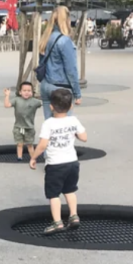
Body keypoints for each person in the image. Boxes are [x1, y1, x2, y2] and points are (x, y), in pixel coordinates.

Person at [29, 88, 87, 234]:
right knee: (70, 190)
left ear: (51, 106)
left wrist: (34, 157)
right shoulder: (73, 120)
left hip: (55, 164)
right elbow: (84, 137)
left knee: (54, 194)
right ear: (71, 106)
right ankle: (74, 216)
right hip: (72, 163)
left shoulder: (49, 123)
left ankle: (57, 222)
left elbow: (42, 145)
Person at [37, 6, 82, 119]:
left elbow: (41, 62)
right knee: (64, 126)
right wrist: (77, 92)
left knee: (49, 124)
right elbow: (71, 69)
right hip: (61, 87)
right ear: (66, 20)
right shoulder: (65, 41)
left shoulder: (46, 37)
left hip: (46, 84)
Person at [4, 82, 42, 162]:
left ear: (32, 92)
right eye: (24, 90)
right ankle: (19, 158)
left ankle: (33, 158)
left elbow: (45, 103)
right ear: (20, 92)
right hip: (18, 126)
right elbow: (7, 105)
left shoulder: (35, 101)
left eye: (29, 90)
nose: (27, 92)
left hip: (29, 127)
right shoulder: (17, 100)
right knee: (19, 144)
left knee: (30, 144)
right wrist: (7, 95)